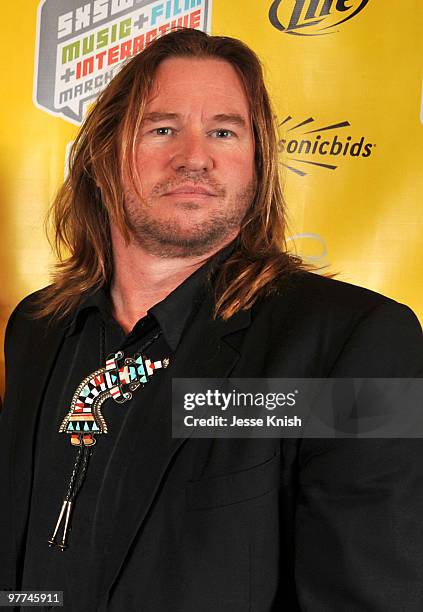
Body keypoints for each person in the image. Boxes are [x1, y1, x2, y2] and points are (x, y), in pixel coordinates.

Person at [0, 28, 422, 612]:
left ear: (258, 162)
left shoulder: (359, 342)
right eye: (162, 128)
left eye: (224, 131)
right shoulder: (38, 328)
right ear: (102, 153)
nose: (194, 157)